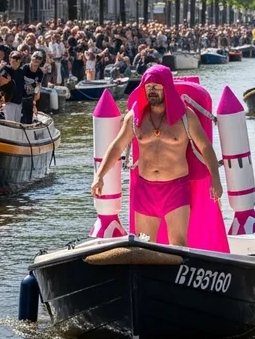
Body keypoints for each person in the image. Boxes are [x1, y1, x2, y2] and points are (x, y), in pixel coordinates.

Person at [91, 65, 223, 246]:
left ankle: (174, 274)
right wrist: (99, 176)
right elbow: (116, 147)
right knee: (145, 245)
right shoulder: (135, 117)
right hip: (145, 189)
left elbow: (205, 147)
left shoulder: (185, 116)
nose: (152, 90)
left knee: (178, 245)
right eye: (148, 86)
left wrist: (215, 179)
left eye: (156, 86)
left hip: (176, 188)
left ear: (167, 87)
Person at [20, 50, 45, 123]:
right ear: (31, 57)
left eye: (39, 58)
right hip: (21, 97)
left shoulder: (40, 73)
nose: (36, 59)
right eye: (35, 57)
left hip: (30, 97)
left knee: (28, 119)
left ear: (41, 61)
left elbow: (38, 86)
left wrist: (35, 100)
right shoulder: (25, 68)